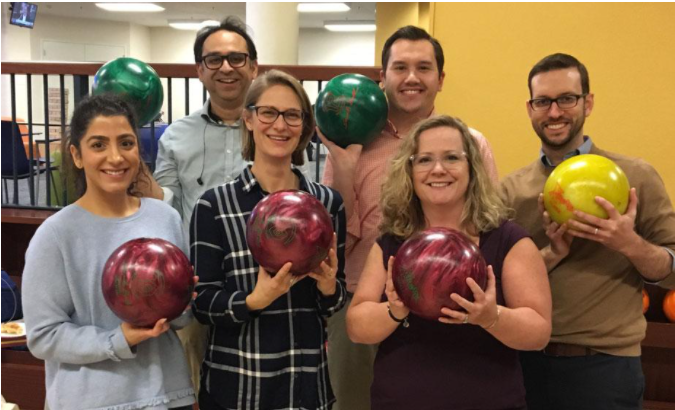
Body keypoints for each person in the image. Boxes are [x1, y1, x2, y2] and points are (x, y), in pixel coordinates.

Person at [318, 25, 500, 410]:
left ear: (441, 79)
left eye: (424, 67)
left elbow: (485, 224)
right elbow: (337, 239)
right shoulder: (351, 142)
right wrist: (346, 167)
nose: (412, 78)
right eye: (400, 68)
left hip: (448, 305)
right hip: (361, 299)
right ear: (382, 77)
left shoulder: (470, 144)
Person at [500, 53, 675, 410]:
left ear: (588, 102)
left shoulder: (634, 178)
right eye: (543, 101)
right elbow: (499, 279)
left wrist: (629, 244)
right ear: (530, 107)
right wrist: (552, 253)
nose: (554, 112)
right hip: (522, 360)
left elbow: (672, 269)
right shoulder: (510, 190)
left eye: (567, 98)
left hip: (605, 367)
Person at [347, 115, 551, 410]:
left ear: (472, 168)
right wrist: (392, 310)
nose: (438, 169)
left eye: (452, 158)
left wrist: (491, 317)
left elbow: (538, 332)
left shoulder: (508, 240)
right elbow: (356, 327)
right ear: (410, 170)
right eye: (424, 160)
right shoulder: (392, 242)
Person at [22, 94, 195, 410]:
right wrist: (120, 339)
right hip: (91, 401)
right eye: (98, 145)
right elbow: (43, 336)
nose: (115, 157)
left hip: (168, 395)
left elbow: (180, 319)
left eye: (126, 143)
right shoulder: (55, 234)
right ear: (76, 155)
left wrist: (183, 301)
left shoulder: (164, 216)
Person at [191, 69, 347, 410]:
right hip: (236, 384)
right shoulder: (214, 205)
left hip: (305, 385)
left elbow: (335, 303)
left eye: (293, 115)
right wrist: (254, 300)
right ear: (248, 118)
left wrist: (328, 288)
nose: (280, 125)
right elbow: (202, 303)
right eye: (268, 112)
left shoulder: (327, 205)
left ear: (304, 126)